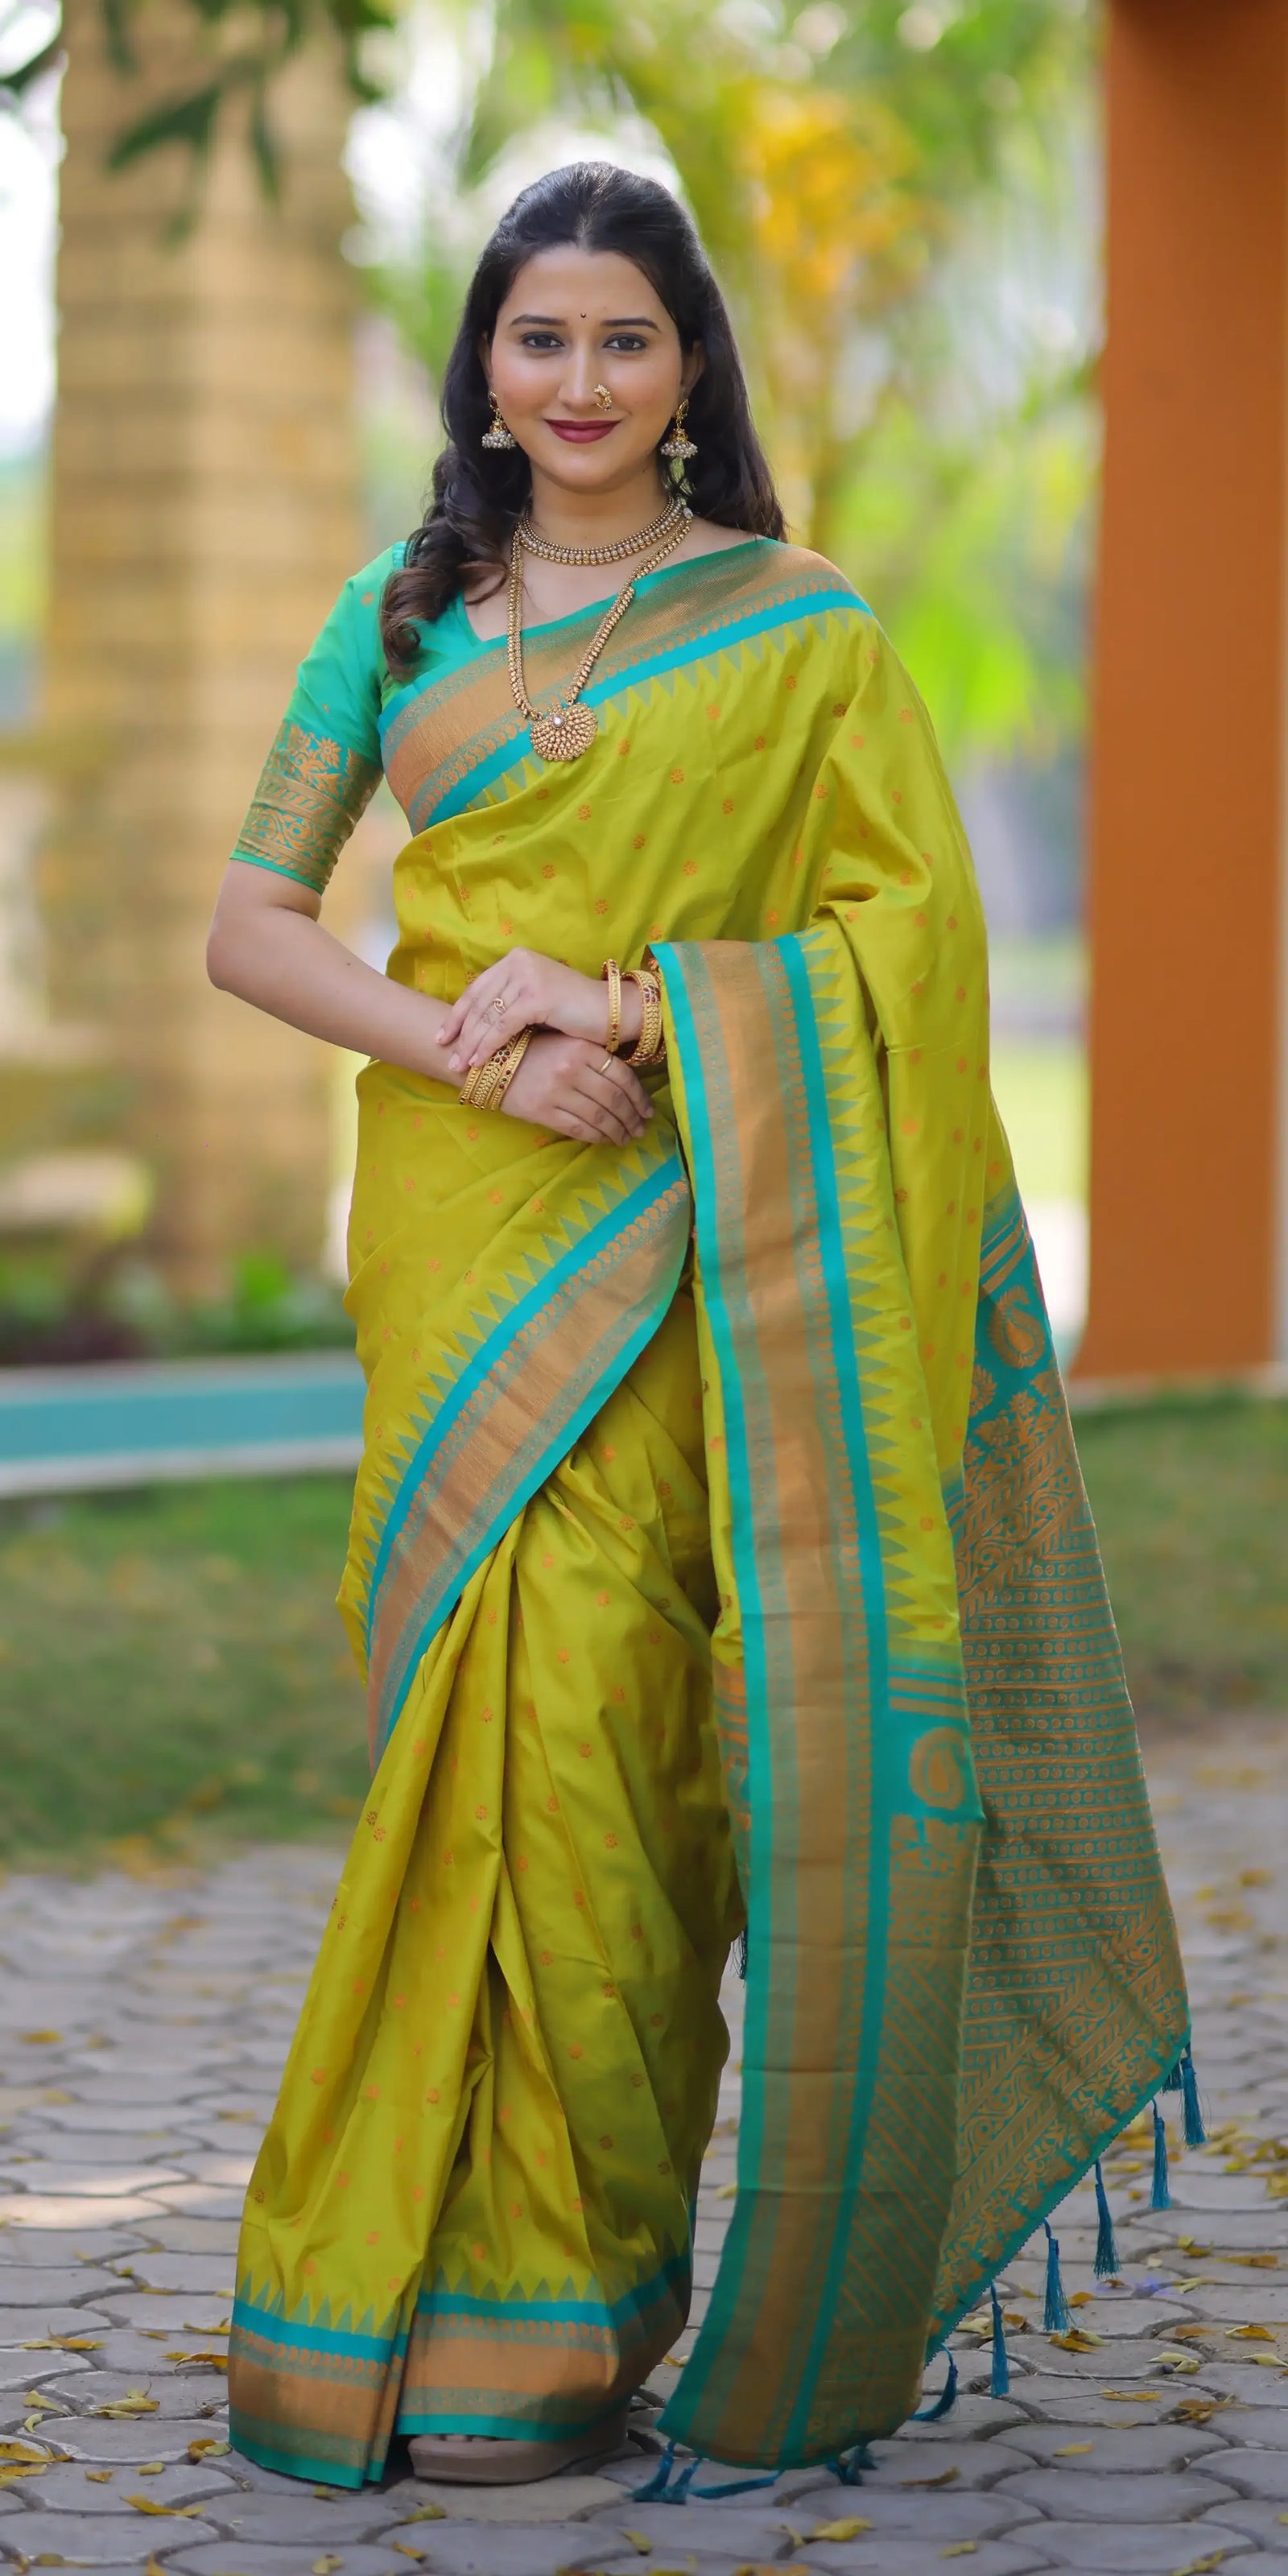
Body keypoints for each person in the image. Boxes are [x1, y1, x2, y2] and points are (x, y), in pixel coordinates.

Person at [212, 160, 1190, 2496]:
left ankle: (565, 2315)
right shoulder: (402, 606)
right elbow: (257, 928)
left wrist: (643, 1009)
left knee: (629, 1763)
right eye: (535, 341)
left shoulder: (804, 629)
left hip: (699, 1244)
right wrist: (474, 1043)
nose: (576, 383)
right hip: (466, 1233)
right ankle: (410, 2301)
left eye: (623, 341)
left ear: (688, 370)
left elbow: (905, 948)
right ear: (485, 366)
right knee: (484, 1740)